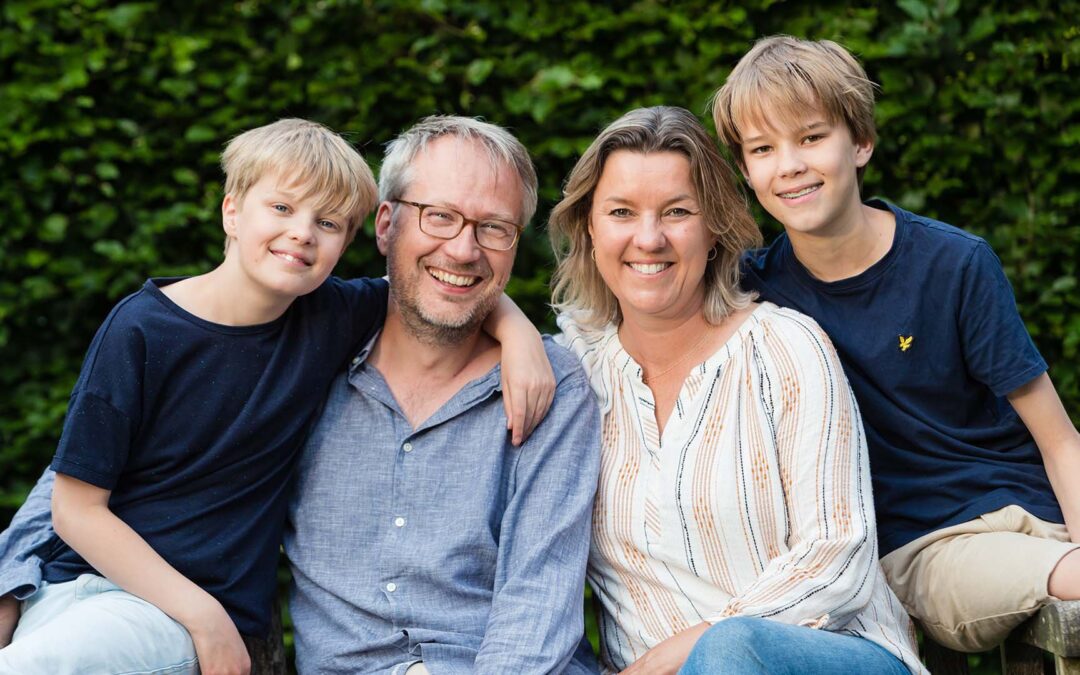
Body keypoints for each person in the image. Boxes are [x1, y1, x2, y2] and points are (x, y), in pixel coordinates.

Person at [0, 118, 556, 674]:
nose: (303, 233)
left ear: (351, 241)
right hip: (81, 590)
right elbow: (72, 504)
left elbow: (443, 283)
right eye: (283, 208)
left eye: (329, 222)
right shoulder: (141, 329)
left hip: (158, 619)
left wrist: (520, 336)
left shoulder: (328, 318)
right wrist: (202, 618)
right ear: (232, 211)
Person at [711, 34, 1080, 653]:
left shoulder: (955, 263)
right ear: (746, 171)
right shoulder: (751, 291)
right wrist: (503, 316)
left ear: (860, 142)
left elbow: (1058, 438)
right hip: (924, 548)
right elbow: (623, 294)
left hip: (1038, 519)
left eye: (810, 137)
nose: (790, 164)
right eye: (763, 148)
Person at [549, 105, 924, 674]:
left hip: (829, 657)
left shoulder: (785, 347)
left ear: (714, 228)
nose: (648, 238)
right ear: (589, 229)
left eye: (677, 211)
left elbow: (838, 554)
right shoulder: (572, 372)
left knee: (727, 654)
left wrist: (686, 651)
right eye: (622, 212)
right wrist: (504, 322)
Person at [283, 115, 601, 674]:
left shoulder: (551, 386)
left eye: (493, 228)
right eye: (440, 217)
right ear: (386, 225)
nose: (462, 249)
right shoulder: (304, 360)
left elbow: (537, 606)